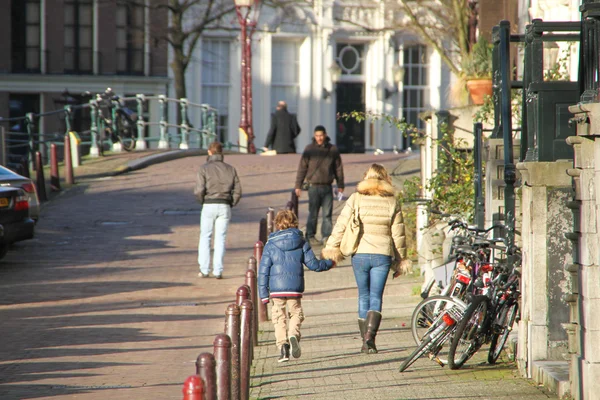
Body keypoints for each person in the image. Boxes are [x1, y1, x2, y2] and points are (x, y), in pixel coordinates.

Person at [322, 163, 410, 354]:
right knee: (376, 297)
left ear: (366, 177)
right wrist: (401, 260)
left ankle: (364, 342)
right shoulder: (392, 201)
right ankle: (371, 338)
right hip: (382, 255)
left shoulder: (356, 199)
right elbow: (398, 235)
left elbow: (341, 224)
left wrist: (331, 248)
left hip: (360, 253)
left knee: (363, 296)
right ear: (385, 178)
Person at [258, 209, 335, 362]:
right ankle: (293, 334)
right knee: (296, 313)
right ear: (294, 223)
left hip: (276, 289)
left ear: (277, 225)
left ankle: (283, 347)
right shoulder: (301, 241)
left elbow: (263, 271)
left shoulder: (270, 244)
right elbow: (313, 264)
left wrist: (263, 294)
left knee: (278, 317)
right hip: (294, 287)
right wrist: (329, 263)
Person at [194, 141, 242, 279]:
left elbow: (199, 189)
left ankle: (204, 269)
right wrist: (231, 202)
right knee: (220, 238)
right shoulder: (230, 169)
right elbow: (238, 190)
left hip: (209, 204)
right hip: (224, 205)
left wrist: (202, 200)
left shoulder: (204, 168)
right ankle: (218, 270)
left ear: (209, 152)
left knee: (205, 236)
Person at [294, 125, 344, 246]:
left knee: (327, 214)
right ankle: (310, 236)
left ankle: (326, 236)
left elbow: (338, 168)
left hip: (327, 186)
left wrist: (340, 184)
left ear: (325, 135)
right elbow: (302, 168)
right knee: (313, 213)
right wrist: (298, 185)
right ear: (314, 136)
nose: (319, 138)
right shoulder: (309, 149)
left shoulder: (332, 150)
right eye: (317, 136)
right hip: (313, 186)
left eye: (321, 135)